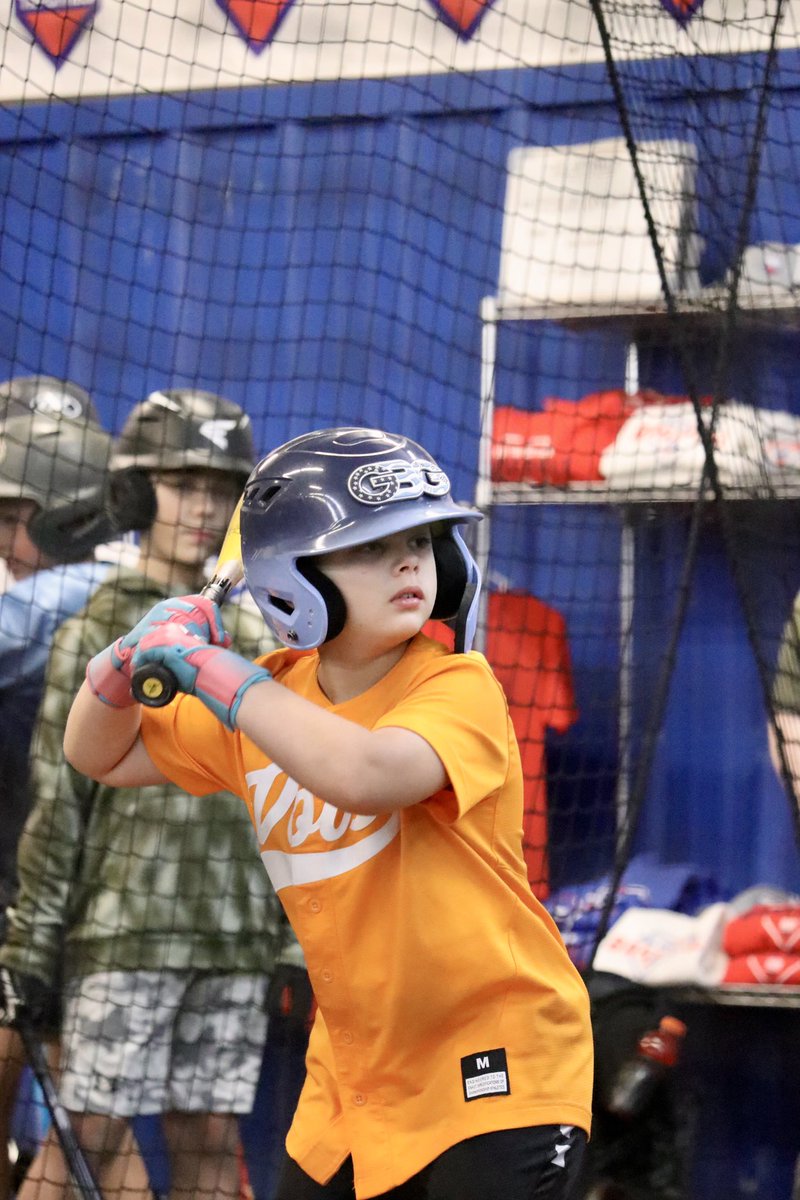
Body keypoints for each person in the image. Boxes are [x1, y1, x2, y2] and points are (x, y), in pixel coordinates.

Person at [63, 425, 594, 1200]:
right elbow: (99, 755)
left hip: (496, 1064)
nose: (409, 562)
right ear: (291, 579)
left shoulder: (458, 686)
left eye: (419, 541)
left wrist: (217, 673)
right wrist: (118, 665)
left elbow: (364, 772)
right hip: (354, 1081)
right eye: (370, 548)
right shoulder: (276, 697)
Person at [0, 388, 286, 1200]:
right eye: (181, 484)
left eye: (219, 490)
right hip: (122, 934)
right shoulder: (99, 628)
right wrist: (32, 953)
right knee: (86, 1136)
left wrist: (292, 941)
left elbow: (285, 800)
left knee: (211, 1139)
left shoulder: (259, 636)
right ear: (133, 492)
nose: (202, 509)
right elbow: (60, 802)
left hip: (232, 938)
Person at [0, 385, 121, 1200]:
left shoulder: (110, 597)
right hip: (23, 888)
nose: (8, 538)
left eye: (23, 517)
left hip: (82, 905)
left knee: (95, 1126)